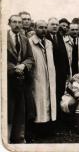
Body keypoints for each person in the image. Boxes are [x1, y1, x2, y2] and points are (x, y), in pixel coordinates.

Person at [7, 15, 34, 143]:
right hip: (7, 79)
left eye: (19, 22)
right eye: (14, 22)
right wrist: (13, 68)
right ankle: (5, 138)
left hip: (21, 79)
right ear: (9, 23)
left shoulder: (24, 39)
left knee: (20, 109)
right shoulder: (3, 38)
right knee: (8, 109)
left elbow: (30, 58)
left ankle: (18, 137)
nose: (17, 24)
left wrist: (23, 65)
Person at [29, 20, 57, 132]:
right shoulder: (30, 42)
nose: (43, 30)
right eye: (40, 27)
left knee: (49, 101)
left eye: (45, 27)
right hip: (38, 76)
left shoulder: (49, 43)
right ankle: (37, 129)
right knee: (39, 101)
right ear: (35, 28)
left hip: (49, 76)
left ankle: (48, 128)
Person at [46, 18, 71, 117]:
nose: (55, 26)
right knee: (51, 96)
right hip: (51, 72)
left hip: (61, 73)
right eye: (52, 24)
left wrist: (67, 71)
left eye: (56, 24)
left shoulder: (59, 36)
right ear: (48, 26)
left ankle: (59, 117)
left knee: (59, 94)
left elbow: (64, 55)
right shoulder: (46, 37)